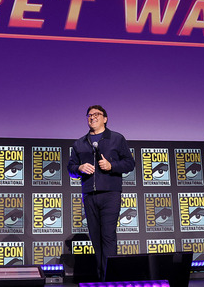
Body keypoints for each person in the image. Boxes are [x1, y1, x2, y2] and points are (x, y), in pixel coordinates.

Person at [68, 105, 135, 280]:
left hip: (110, 194)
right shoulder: (79, 143)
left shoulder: (116, 139)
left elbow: (129, 163)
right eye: (89, 115)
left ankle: (110, 278)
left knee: (108, 237)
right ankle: (100, 279)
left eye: (97, 114)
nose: (92, 117)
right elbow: (70, 169)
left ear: (105, 118)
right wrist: (80, 167)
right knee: (95, 239)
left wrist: (112, 166)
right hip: (89, 195)